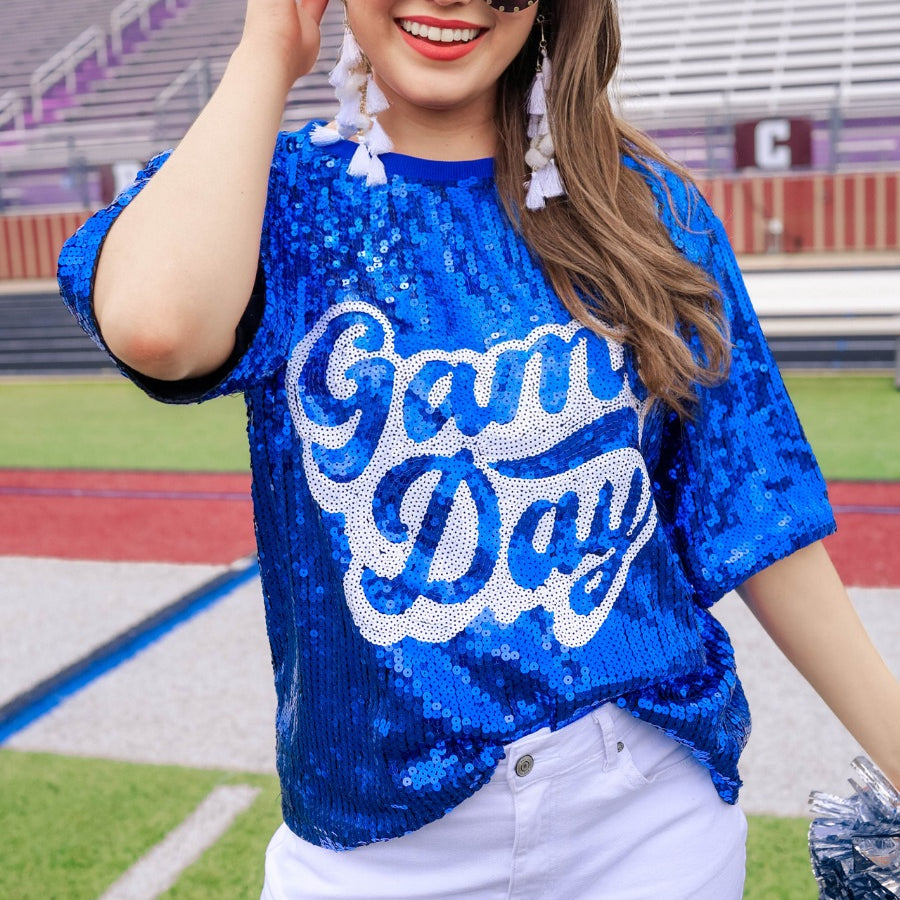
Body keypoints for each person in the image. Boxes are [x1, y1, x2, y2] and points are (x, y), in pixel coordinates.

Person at [58, 0, 900, 897]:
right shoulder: (277, 196)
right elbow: (158, 328)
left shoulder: (646, 208)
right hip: (373, 841)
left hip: (646, 811)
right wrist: (270, 44)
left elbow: (756, 516)